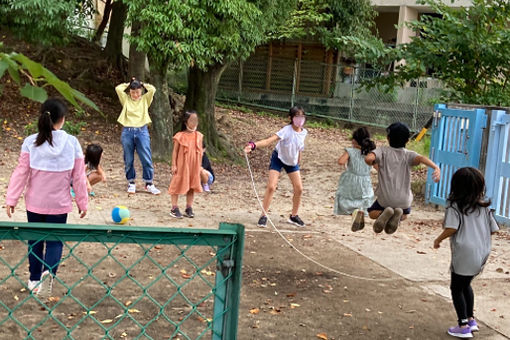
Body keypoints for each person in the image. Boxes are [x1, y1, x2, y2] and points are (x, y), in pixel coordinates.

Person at [5, 98, 88, 296]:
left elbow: (21, 172)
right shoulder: (72, 143)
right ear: (63, 119)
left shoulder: (30, 142)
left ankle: (34, 279)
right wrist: (82, 202)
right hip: (59, 204)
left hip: (35, 203)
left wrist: (11, 199)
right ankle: (48, 272)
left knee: (35, 241)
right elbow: (79, 176)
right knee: (55, 241)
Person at [433, 167, 499, 338]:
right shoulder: (484, 206)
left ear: (456, 186)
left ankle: (463, 325)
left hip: (464, 252)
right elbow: (493, 230)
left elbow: (451, 228)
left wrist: (438, 239)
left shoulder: (454, 207)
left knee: (456, 287)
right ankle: (471, 319)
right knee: (466, 284)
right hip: (482, 251)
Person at [365, 122, 440, 234]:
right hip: (403, 201)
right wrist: (435, 167)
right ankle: (398, 216)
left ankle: (383, 214)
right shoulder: (409, 155)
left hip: (386, 199)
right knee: (404, 214)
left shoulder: (382, 151)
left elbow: (369, 158)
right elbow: (421, 158)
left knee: (372, 213)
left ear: (388, 138)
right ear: (407, 141)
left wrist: (370, 161)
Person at [244, 106, 308, 228]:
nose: (300, 119)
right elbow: (269, 141)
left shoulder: (304, 132)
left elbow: (300, 147)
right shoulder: (286, 130)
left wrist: (299, 159)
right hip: (278, 158)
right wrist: (253, 146)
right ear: (291, 118)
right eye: (297, 116)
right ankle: (263, 215)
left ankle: (294, 216)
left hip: (292, 162)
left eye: (302, 117)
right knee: (271, 187)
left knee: (299, 189)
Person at [115, 77, 161, 195]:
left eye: (137, 92)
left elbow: (152, 89)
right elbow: (118, 89)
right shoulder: (126, 100)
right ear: (130, 92)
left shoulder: (145, 100)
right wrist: (128, 83)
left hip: (142, 130)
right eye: (133, 92)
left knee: (146, 157)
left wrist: (142, 83)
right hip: (128, 131)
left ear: (141, 91)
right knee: (128, 158)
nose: (135, 94)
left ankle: (149, 183)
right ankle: (131, 182)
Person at [334, 127, 376, 232]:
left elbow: (340, 161)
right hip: (365, 181)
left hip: (351, 180)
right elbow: (377, 167)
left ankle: (353, 213)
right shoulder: (370, 153)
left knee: (348, 198)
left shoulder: (351, 151)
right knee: (364, 198)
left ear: (354, 140)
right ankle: (359, 212)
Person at [168, 111, 203, 218]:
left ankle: (189, 207)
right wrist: (174, 164)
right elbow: (175, 152)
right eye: (191, 120)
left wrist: (199, 166)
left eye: (195, 120)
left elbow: (200, 152)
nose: (194, 122)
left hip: (194, 166)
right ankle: (174, 208)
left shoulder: (199, 136)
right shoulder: (180, 136)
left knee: (192, 184)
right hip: (182, 165)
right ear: (185, 121)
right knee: (177, 184)